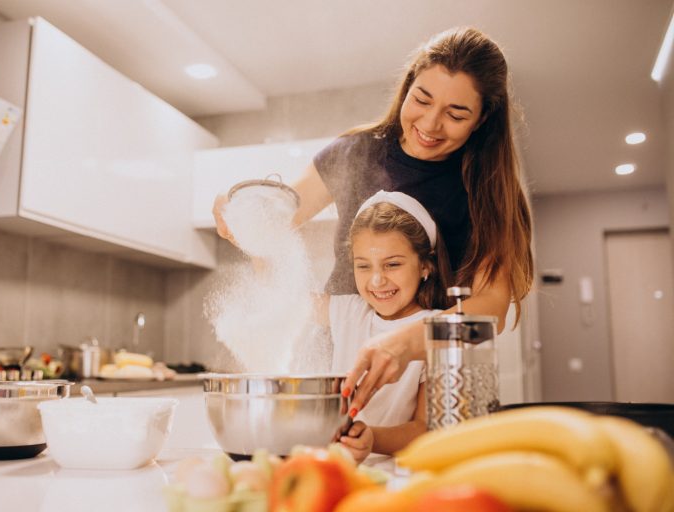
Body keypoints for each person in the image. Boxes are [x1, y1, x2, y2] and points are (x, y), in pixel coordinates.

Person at [214, 27, 533, 415]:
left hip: (436, 378)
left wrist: (401, 342)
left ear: (482, 119)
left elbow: (491, 307)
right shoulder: (354, 152)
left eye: (455, 113)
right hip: (336, 364)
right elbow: (277, 220)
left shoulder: (489, 191)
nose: (431, 125)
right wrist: (242, 215)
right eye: (422, 99)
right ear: (408, 85)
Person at [321, 190, 452, 463]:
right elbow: (282, 297)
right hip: (337, 469)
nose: (377, 281)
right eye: (364, 266)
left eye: (392, 264)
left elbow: (426, 428)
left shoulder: (434, 330)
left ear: (426, 266)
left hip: (399, 474)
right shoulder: (350, 311)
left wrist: (371, 438)